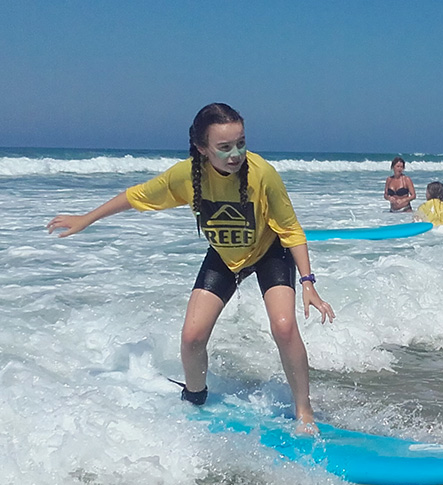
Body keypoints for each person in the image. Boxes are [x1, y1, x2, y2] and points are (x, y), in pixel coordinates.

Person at [46, 103, 335, 433]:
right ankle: (195, 400)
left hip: (270, 252)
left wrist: (308, 282)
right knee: (192, 337)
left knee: (284, 327)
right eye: (224, 147)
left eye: (240, 143)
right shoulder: (187, 175)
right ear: (202, 148)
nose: (235, 154)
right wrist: (87, 218)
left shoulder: (263, 174)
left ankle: (304, 409)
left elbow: (291, 229)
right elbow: (136, 196)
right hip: (225, 256)